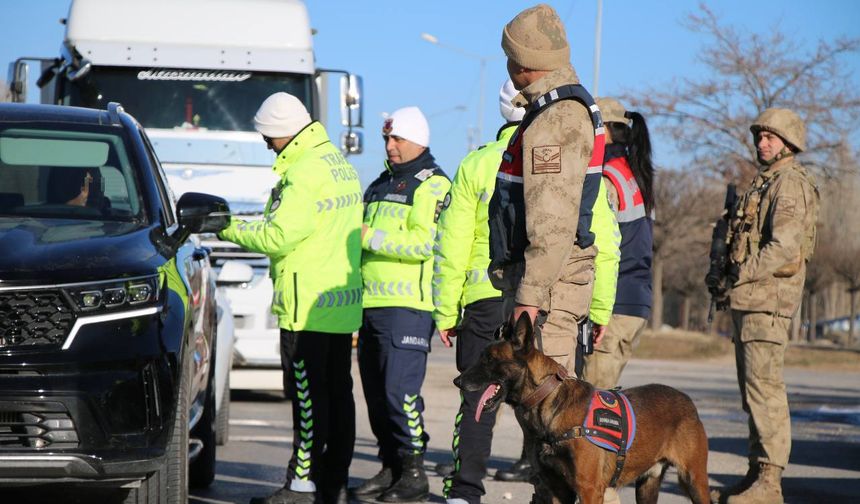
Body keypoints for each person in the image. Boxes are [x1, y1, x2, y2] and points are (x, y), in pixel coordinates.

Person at [436, 79, 619, 504]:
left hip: (483, 296)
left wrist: (445, 309)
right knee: (552, 405)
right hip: (549, 297)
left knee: (479, 398)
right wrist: (601, 307)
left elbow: (452, 242)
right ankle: (555, 489)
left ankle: (465, 492)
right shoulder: (571, 153)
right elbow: (604, 242)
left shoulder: (478, 162)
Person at [487, 5, 606, 503]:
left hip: (550, 288)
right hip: (549, 283)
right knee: (548, 430)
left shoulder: (556, 117)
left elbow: (553, 224)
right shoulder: (553, 109)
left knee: (554, 424)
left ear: (523, 63)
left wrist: (529, 298)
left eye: (510, 60)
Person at [219, 92, 363, 504]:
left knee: (307, 400)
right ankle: (333, 484)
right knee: (339, 398)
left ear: (283, 132)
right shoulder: (338, 164)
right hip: (339, 304)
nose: (267, 145)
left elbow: (278, 235)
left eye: (268, 137)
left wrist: (226, 227)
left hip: (306, 308)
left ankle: (301, 486)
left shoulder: (304, 172)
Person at [710, 108, 819, 504]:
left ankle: (770, 483)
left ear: (789, 142)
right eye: (759, 136)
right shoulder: (765, 182)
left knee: (766, 391)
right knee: (752, 392)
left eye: (770, 137)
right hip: (750, 303)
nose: (762, 143)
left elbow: (783, 249)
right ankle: (757, 473)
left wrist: (739, 274)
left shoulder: (789, 185)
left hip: (767, 304)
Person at [351, 106, 451, 503]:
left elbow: (426, 244)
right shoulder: (377, 184)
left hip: (408, 306)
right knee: (376, 395)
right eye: (386, 139)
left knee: (399, 393)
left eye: (397, 139)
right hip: (369, 304)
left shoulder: (434, 186)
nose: (389, 146)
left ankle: (415, 474)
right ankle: (391, 466)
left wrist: (369, 236)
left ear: (419, 141)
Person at [582, 97, 655, 389]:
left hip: (614, 302)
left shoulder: (606, 177)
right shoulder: (634, 173)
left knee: (592, 401)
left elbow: (599, 243)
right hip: (634, 301)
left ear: (604, 129)